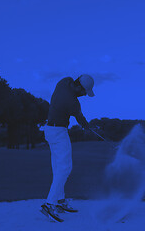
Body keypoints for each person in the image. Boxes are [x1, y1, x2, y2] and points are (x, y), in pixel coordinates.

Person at [40, 74, 95, 222]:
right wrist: (87, 127)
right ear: (79, 87)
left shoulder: (64, 81)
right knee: (65, 168)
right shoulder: (73, 102)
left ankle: (60, 200)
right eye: (84, 92)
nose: (84, 95)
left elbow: (77, 112)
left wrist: (85, 124)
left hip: (49, 129)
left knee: (58, 168)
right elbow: (80, 118)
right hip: (58, 132)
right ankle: (50, 204)